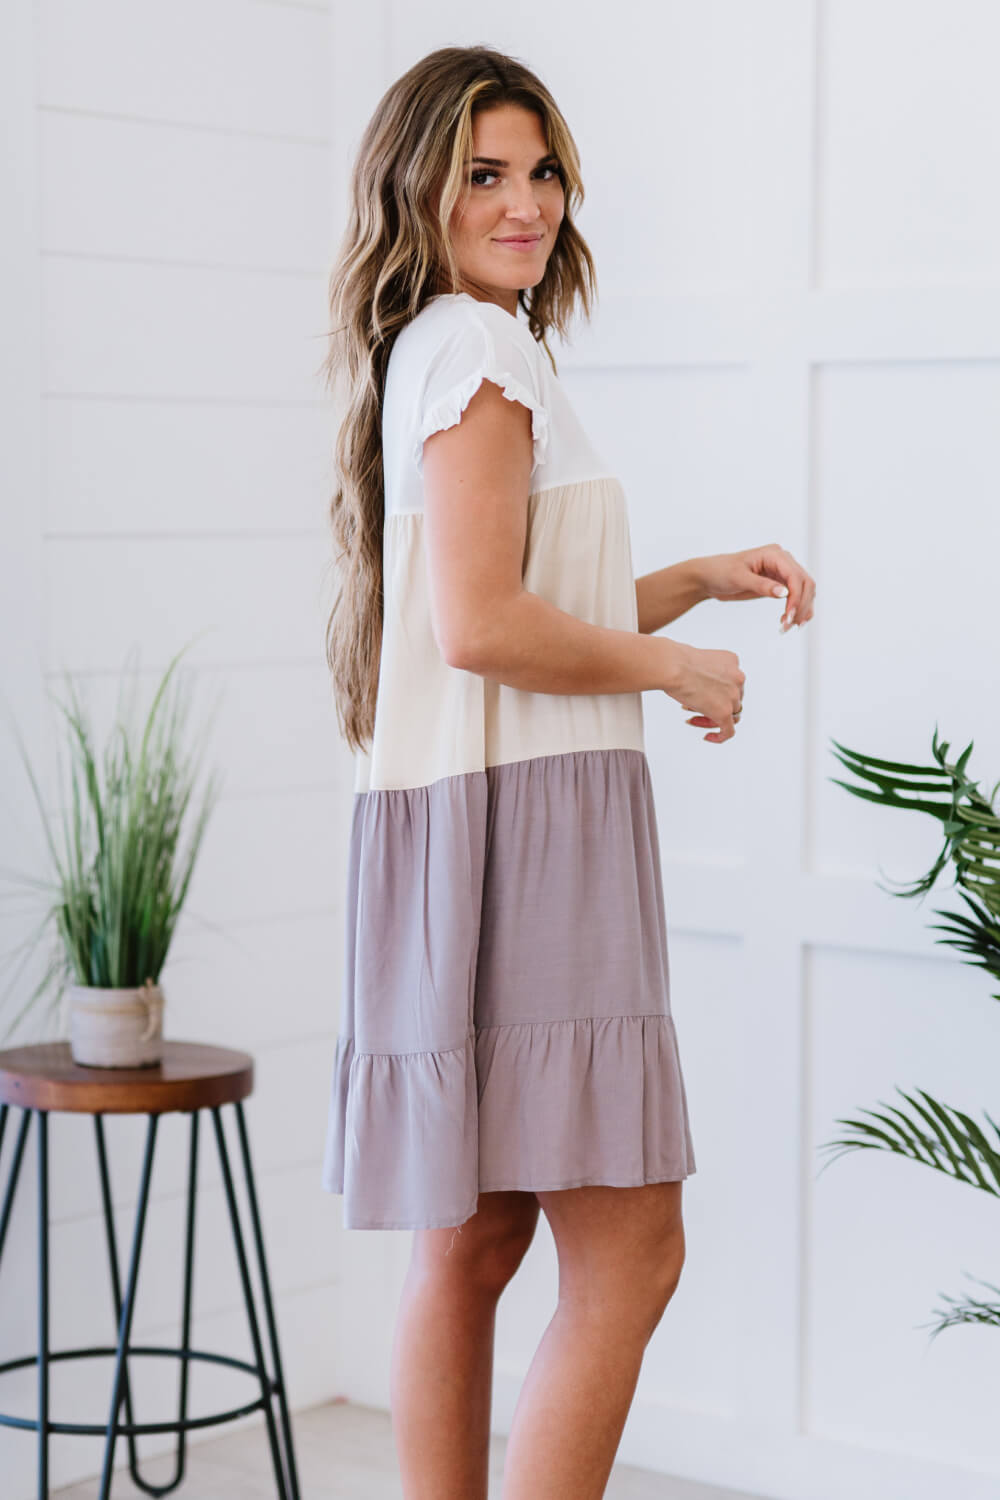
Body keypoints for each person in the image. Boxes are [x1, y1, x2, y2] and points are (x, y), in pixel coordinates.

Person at [318, 44, 816, 1500]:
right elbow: (484, 627)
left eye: (540, 172)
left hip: (457, 827)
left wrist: (689, 582)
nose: (525, 202)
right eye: (485, 174)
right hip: (527, 840)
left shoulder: (439, 347)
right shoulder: (478, 351)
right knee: (633, 1255)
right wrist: (675, 667)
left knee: (469, 1244)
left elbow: (510, 598)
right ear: (421, 189)